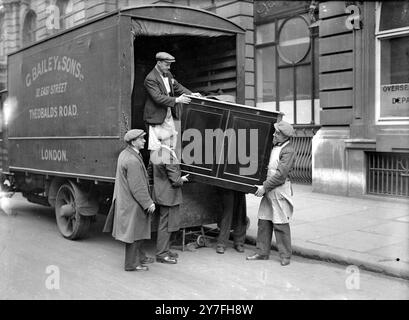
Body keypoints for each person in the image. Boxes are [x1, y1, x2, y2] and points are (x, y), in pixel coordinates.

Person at [103, 129, 156, 272]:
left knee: (137, 231)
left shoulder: (125, 154)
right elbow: (137, 187)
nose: (144, 141)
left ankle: (140, 257)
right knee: (134, 233)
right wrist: (148, 203)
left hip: (127, 201)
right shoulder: (132, 160)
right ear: (133, 142)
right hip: (133, 203)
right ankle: (132, 264)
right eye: (141, 139)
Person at [246, 121, 296, 266]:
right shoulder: (275, 146)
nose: (274, 134)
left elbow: (280, 176)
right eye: (275, 132)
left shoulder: (288, 151)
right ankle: (262, 252)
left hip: (279, 191)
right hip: (269, 190)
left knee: (280, 223)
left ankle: (285, 256)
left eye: (277, 133)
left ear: (285, 137)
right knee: (264, 221)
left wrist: (264, 187)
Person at [143, 51, 201, 151]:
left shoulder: (167, 74)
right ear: (159, 63)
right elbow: (158, 97)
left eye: (170, 65)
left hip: (168, 114)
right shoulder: (150, 78)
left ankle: (168, 165)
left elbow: (177, 86)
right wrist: (178, 99)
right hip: (156, 117)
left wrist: (191, 94)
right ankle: (155, 166)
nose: (169, 67)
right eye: (167, 65)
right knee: (156, 149)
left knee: (170, 145)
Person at [148, 130, 189, 264]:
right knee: (166, 226)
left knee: (163, 224)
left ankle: (164, 249)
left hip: (160, 194)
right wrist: (182, 179)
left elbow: (149, 174)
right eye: (174, 138)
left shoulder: (155, 153)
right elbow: (175, 180)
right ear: (168, 140)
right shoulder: (168, 155)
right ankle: (162, 254)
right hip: (169, 196)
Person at [216, 189, 247, 254]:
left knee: (241, 213)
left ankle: (239, 242)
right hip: (227, 185)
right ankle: (221, 243)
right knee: (227, 213)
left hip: (241, 185)